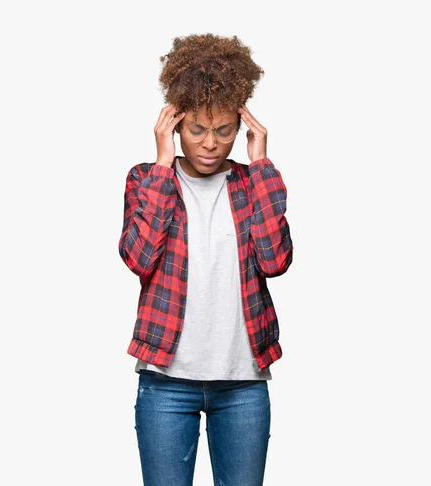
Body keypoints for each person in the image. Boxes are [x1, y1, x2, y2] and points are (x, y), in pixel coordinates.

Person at [118, 33, 294, 486]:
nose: (211, 144)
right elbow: (139, 258)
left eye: (224, 130)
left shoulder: (251, 182)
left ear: (240, 127)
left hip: (243, 383)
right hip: (165, 382)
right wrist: (161, 164)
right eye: (197, 129)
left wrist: (261, 167)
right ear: (174, 124)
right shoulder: (145, 179)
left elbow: (275, 261)